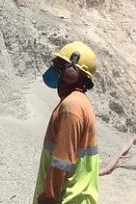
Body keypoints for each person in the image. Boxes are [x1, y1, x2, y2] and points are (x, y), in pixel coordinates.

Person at [34, 41, 99, 204]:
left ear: (72, 72)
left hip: (66, 199)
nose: (53, 70)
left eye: (58, 66)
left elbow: (61, 160)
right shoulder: (78, 102)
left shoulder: (72, 107)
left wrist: (49, 198)